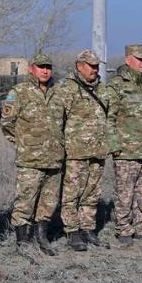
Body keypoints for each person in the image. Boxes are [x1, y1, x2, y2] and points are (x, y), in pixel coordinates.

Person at [101, 44, 142, 246]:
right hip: (126, 150)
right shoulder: (116, 86)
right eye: (140, 59)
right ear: (128, 59)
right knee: (124, 192)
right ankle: (123, 228)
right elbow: (108, 118)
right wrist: (114, 144)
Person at [0, 52, 65, 255]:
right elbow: (7, 123)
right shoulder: (19, 92)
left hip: (54, 159)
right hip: (30, 159)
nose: (45, 71)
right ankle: (22, 240)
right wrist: (23, 144)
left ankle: (42, 237)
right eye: (40, 67)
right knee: (25, 201)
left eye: (48, 67)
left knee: (48, 202)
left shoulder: (58, 93)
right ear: (31, 69)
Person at [55, 49, 109, 251]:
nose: (95, 70)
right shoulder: (66, 89)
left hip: (98, 151)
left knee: (92, 193)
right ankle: (72, 231)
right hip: (75, 153)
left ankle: (87, 228)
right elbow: (57, 122)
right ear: (79, 66)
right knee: (72, 194)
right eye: (91, 66)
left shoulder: (102, 89)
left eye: (97, 66)